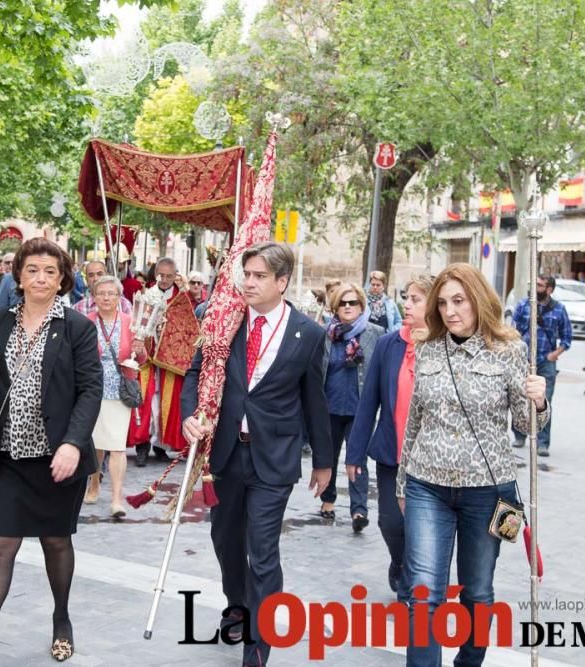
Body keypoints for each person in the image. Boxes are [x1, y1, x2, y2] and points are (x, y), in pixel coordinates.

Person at [0, 237, 103, 666]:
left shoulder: (77, 328)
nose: (40, 278)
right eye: (32, 269)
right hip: (7, 456)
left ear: (62, 279)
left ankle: (62, 619)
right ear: (18, 275)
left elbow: (91, 390)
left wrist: (72, 443)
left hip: (57, 459)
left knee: (55, 541)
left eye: (50, 271)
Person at [182, 242, 333, 666]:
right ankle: (237, 604)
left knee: (262, 549)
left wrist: (324, 464)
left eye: (260, 276)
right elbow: (197, 371)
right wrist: (190, 415)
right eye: (246, 274)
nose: (249, 282)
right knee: (226, 540)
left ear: (281, 282)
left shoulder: (309, 334)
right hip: (226, 454)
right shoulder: (223, 320)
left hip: (274, 457)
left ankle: (258, 646)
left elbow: (315, 401)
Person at [396, 263, 548, 667]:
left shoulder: (510, 349)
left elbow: (526, 426)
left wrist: (539, 400)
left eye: (459, 301)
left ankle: (468, 662)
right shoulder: (427, 347)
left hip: (489, 490)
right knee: (423, 592)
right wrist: (401, 483)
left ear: (478, 300)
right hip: (427, 484)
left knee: (477, 592)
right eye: (443, 303)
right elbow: (415, 420)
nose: (450, 311)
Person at [345, 274, 434, 594]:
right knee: (390, 522)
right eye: (406, 298)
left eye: (415, 299)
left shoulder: (445, 347)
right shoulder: (388, 344)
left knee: (422, 526)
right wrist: (354, 453)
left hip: (432, 461)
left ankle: (414, 577)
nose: (406, 305)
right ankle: (399, 561)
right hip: (391, 453)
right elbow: (369, 402)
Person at [318, 282, 383, 523]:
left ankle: (359, 510)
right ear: (335, 306)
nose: (347, 307)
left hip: (360, 409)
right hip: (330, 407)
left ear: (361, 306)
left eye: (352, 302)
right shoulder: (326, 334)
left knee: (358, 460)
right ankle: (328, 499)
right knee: (329, 455)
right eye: (343, 302)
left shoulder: (375, 333)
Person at [85, 276, 147, 516]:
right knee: (96, 443)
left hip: (121, 390)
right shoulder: (86, 322)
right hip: (92, 390)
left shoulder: (130, 323)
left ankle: (117, 499)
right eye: (101, 293)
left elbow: (140, 359)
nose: (106, 298)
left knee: (117, 445)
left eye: (111, 293)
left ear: (119, 297)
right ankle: (94, 483)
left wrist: (141, 351)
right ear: (94, 297)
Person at [130, 256, 190, 466]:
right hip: (147, 358)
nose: (164, 280)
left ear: (176, 276)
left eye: (169, 276)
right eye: (161, 275)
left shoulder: (182, 298)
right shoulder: (147, 295)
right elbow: (137, 324)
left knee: (166, 404)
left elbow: (186, 330)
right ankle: (142, 445)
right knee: (146, 402)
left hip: (168, 361)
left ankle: (161, 445)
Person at [511, 275, 571, 457]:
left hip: (545, 362)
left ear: (549, 289)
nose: (535, 287)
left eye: (540, 285)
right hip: (523, 360)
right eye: (534, 284)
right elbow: (513, 330)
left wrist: (555, 355)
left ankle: (542, 443)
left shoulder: (559, 309)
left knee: (544, 401)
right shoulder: (523, 305)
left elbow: (567, 337)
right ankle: (519, 435)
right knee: (519, 397)